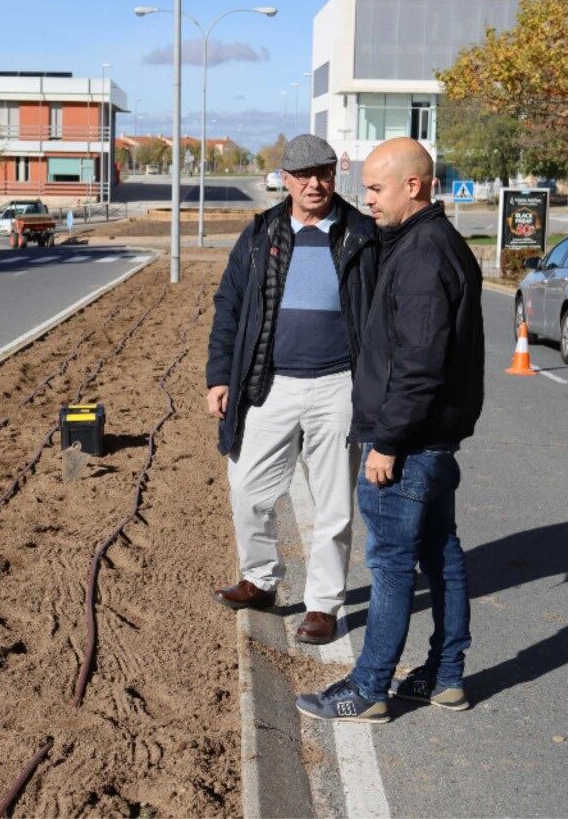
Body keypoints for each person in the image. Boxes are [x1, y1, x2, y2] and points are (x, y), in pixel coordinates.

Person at [296, 137, 485, 721]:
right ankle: (445, 675)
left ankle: (370, 687)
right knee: (441, 554)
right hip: (429, 440)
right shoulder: (426, 242)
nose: (366, 200)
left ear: (414, 185)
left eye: (375, 188)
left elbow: (419, 362)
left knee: (392, 564)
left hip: (409, 444)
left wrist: (387, 442)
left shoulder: (425, 254)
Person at [206, 134, 381, 645]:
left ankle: (323, 604)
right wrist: (220, 375)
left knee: (333, 505)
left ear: (334, 174)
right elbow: (229, 307)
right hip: (269, 382)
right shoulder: (260, 234)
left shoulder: (362, 235)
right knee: (247, 489)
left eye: (323, 172)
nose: (314, 183)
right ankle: (260, 579)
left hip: (337, 386)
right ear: (284, 179)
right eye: (303, 174)